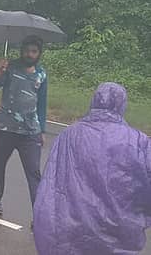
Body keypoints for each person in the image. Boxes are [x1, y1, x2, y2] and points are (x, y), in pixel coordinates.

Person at [34, 83, 151, 255]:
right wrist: (138, 216)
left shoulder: (69, 135)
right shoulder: (139, 142)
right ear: (122, 105)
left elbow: (52, 184)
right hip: (120, 232)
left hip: (73, 229)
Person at [0, 35, 48, 217]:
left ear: (39, 54)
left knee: (33, 172)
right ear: (22, 51)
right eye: (27, 50)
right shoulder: (9, 68)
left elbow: (42, 104)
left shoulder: (42, 75)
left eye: (34, 51)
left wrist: (42, 130)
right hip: (6, 129)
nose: (29, 54)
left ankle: (39, 214)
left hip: (30, 132)